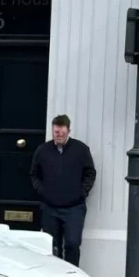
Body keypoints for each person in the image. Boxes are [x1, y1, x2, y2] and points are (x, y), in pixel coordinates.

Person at [29, 114, 96, 267]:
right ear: (52, 131)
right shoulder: (43, 150)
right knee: (51, 246)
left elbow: (90, 173)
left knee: (72, 244)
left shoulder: (81, 150)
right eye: (56, 132)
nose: (59, 135)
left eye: (62, 132)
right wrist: (43, 191)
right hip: (50, 207)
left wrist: (82, 192)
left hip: (74, 208)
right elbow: (34, 174)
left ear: (68, 131)